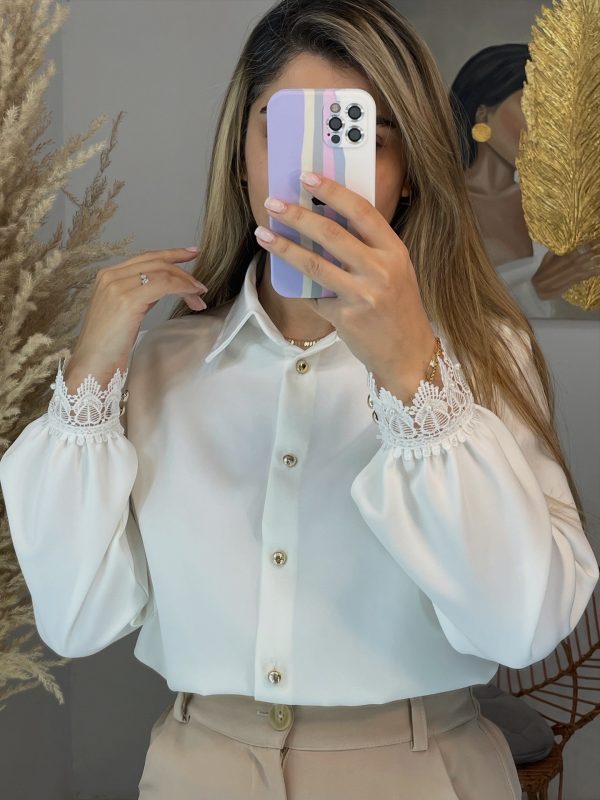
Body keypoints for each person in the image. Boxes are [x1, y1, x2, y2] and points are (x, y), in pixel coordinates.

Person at [0, 1, 598, 798]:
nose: (316, 178)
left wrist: (414, 379)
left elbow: (523, 627)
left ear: (410, 170)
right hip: (198, 771)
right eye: (284, 133)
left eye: (360, 137)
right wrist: (89, 375)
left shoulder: (484, 356)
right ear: (241, 158)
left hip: (422, 772)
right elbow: (76, 619)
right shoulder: (160, 362)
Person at [449, 43, 600, 319]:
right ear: (483, 114)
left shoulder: (557, 208)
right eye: (531, 107)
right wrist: (534, 291)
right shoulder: (434, 205)